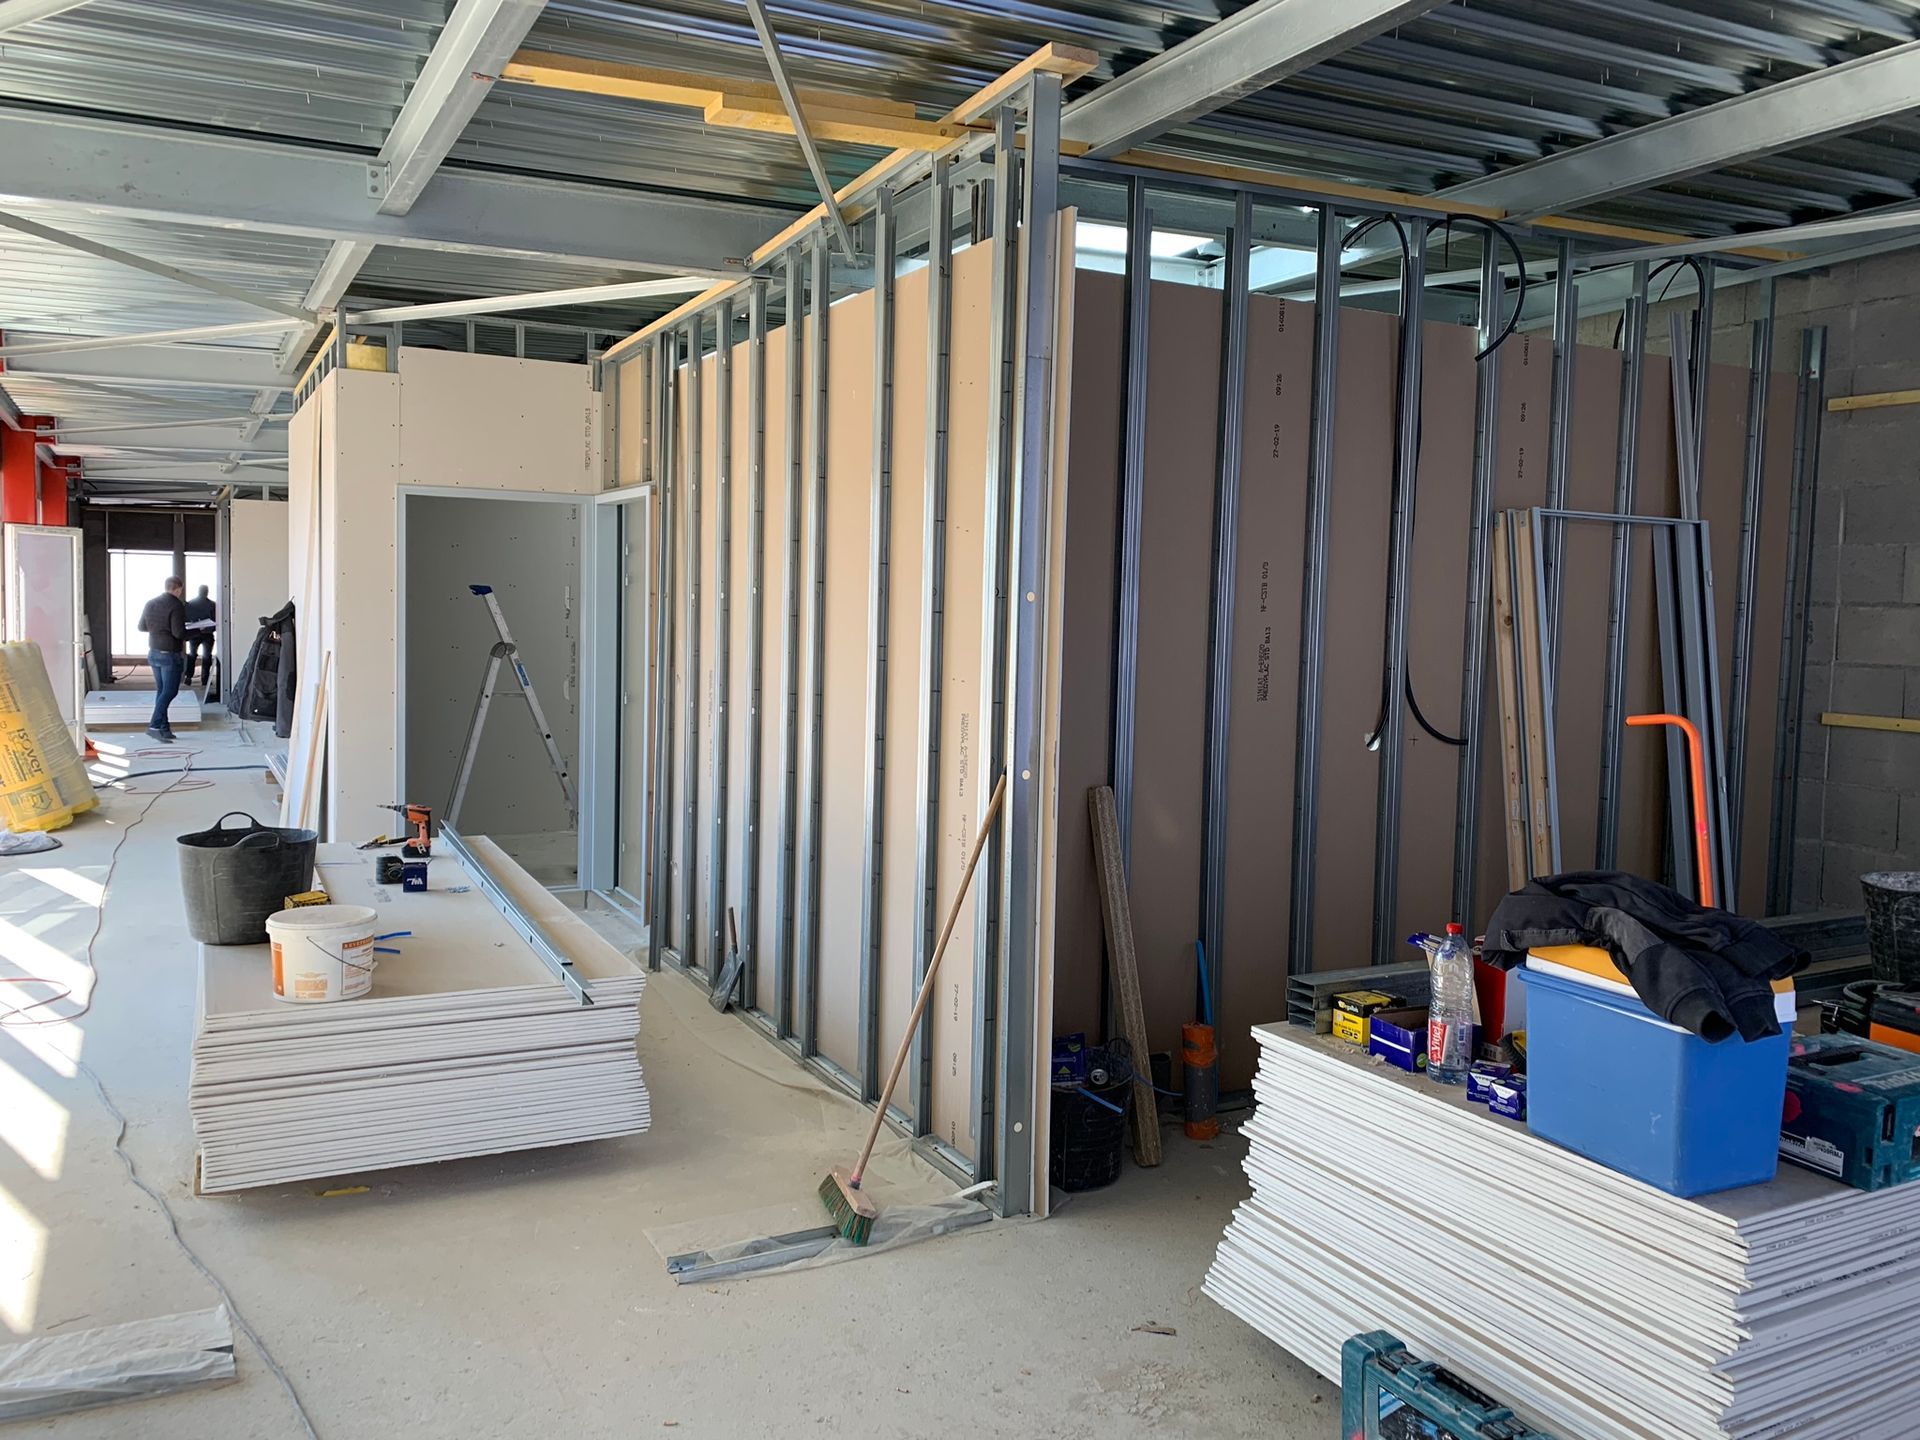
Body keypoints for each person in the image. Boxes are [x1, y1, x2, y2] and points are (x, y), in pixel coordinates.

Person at [137, 576, 187, 743]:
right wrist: (198, 631)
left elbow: (141, 627)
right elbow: (179, 633)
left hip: (154, 652)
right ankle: (154, 726)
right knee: (170, 691)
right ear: (178, 589)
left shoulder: (151, 603)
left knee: (162, 691)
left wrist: (158, 629)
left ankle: (165, 729)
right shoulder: (176, 605)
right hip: (169, 654)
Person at [183, 583, 216, 685]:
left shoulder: (190, 604)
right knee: (207, 656)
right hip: (207, 633)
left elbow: (187, 619)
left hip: (194, 633)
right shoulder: (212, 605)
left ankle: (188, 677)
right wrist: (210, 628)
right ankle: (205, 679)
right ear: (207, 592)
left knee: (192, 655)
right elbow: (215, 620)